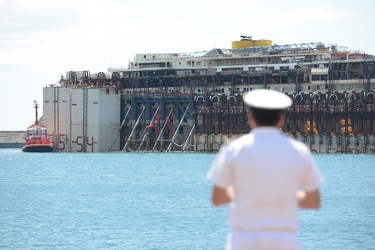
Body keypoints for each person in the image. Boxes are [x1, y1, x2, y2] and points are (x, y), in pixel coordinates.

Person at [207, 89, 323, 250]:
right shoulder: (300, 151)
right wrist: (280, 195)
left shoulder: (233, 150)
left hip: (243, 240)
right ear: (281, 120)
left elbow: (217, 199)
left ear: (250, 118)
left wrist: (248, 193)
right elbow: (313, 201)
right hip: (285, 241)